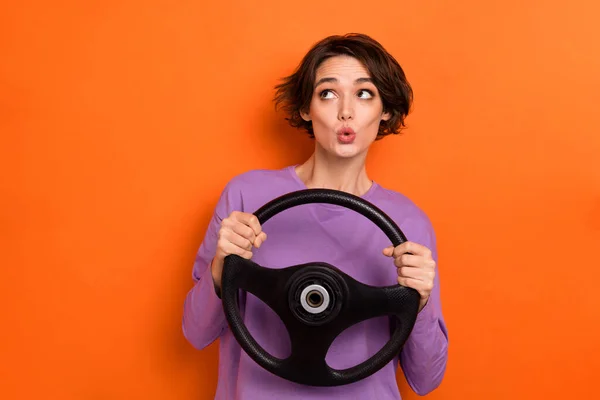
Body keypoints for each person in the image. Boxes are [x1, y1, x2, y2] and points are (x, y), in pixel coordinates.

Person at [182, 33, 449, 399]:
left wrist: (418, 302)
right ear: (306, 108)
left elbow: (426, 379)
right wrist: (219, 268)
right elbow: (196, 333)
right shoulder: (246, 197)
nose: (346, 111)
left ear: (385, 109)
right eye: (327, 93)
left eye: (364, 93)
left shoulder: (409, 223)